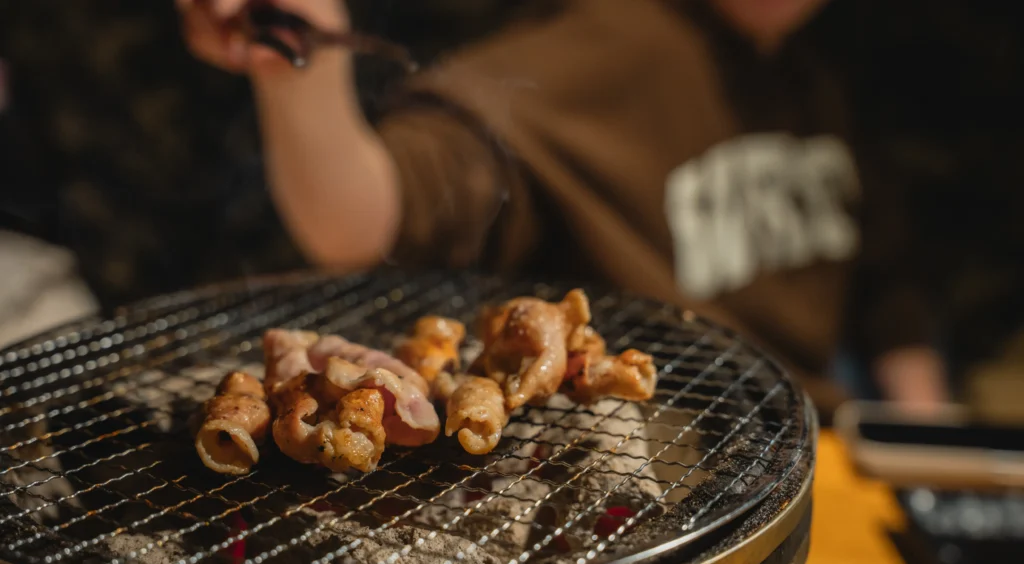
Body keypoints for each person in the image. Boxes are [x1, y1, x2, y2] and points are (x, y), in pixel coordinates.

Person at [177, 0, 947, 421]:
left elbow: (888, 281)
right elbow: (365, 217)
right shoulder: (599, 51)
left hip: (833, 455)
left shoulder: (811, 78)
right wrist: (299, 66)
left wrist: (925, 431)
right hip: (687, 468)